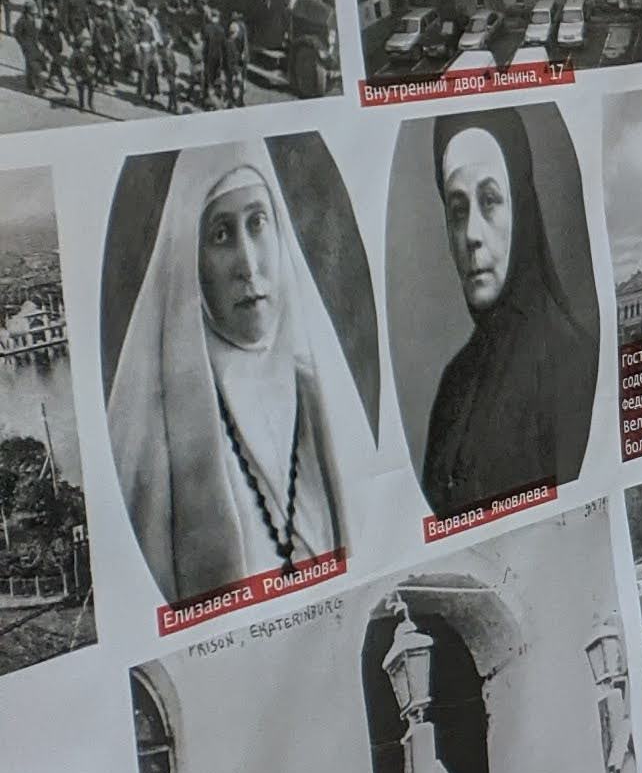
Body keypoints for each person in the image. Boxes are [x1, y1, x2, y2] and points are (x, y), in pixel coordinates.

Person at [106, 139, 381, 610]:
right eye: (220, 235)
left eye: (257, 224)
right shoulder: (153, 436)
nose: (249, 265)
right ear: (190, 261)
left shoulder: (318, 396)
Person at [416, 107, 599, 520]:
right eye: (457, 211)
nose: (471, 236)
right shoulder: (455, 383)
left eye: (490, 202)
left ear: (521, 209)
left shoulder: (572, 364)